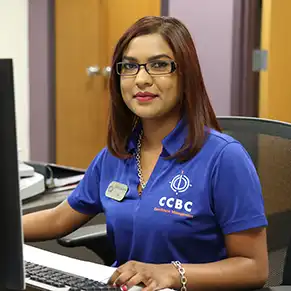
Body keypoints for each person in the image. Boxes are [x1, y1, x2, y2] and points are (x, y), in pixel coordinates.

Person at [23, 16, 268, 290]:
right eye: (129, 66)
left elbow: (254, 267)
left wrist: (173, 274)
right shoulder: (115, 155)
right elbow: (58, 218)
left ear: (185, 75)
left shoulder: (224, 158)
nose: (141, 79)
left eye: (159, 65)